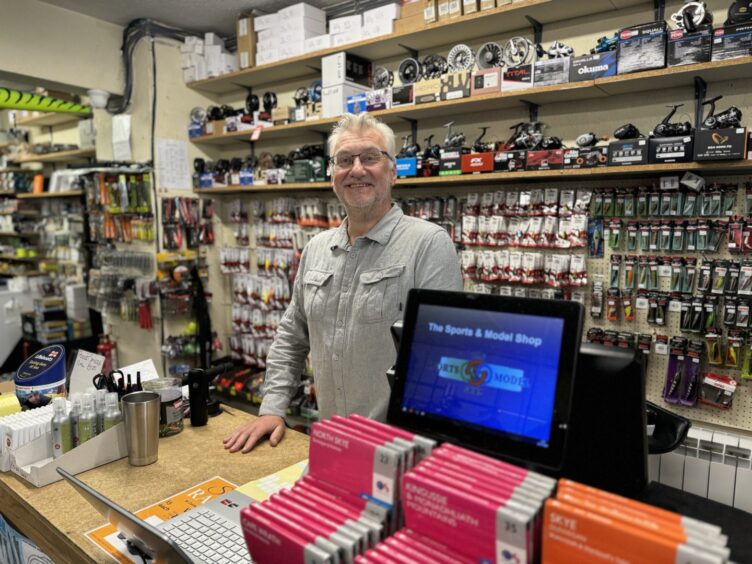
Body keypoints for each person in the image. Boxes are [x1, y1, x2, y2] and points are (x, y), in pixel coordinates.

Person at [223, 113, 463, 453]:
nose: (357, 169)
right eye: (344, 160)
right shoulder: (316, 250)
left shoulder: (428, 244)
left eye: (370, 157)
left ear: (393, 171)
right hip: (332, 443)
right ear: (333, 175)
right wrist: (273, 408)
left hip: (400, 451)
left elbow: (445, 361)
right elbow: (292, 336)